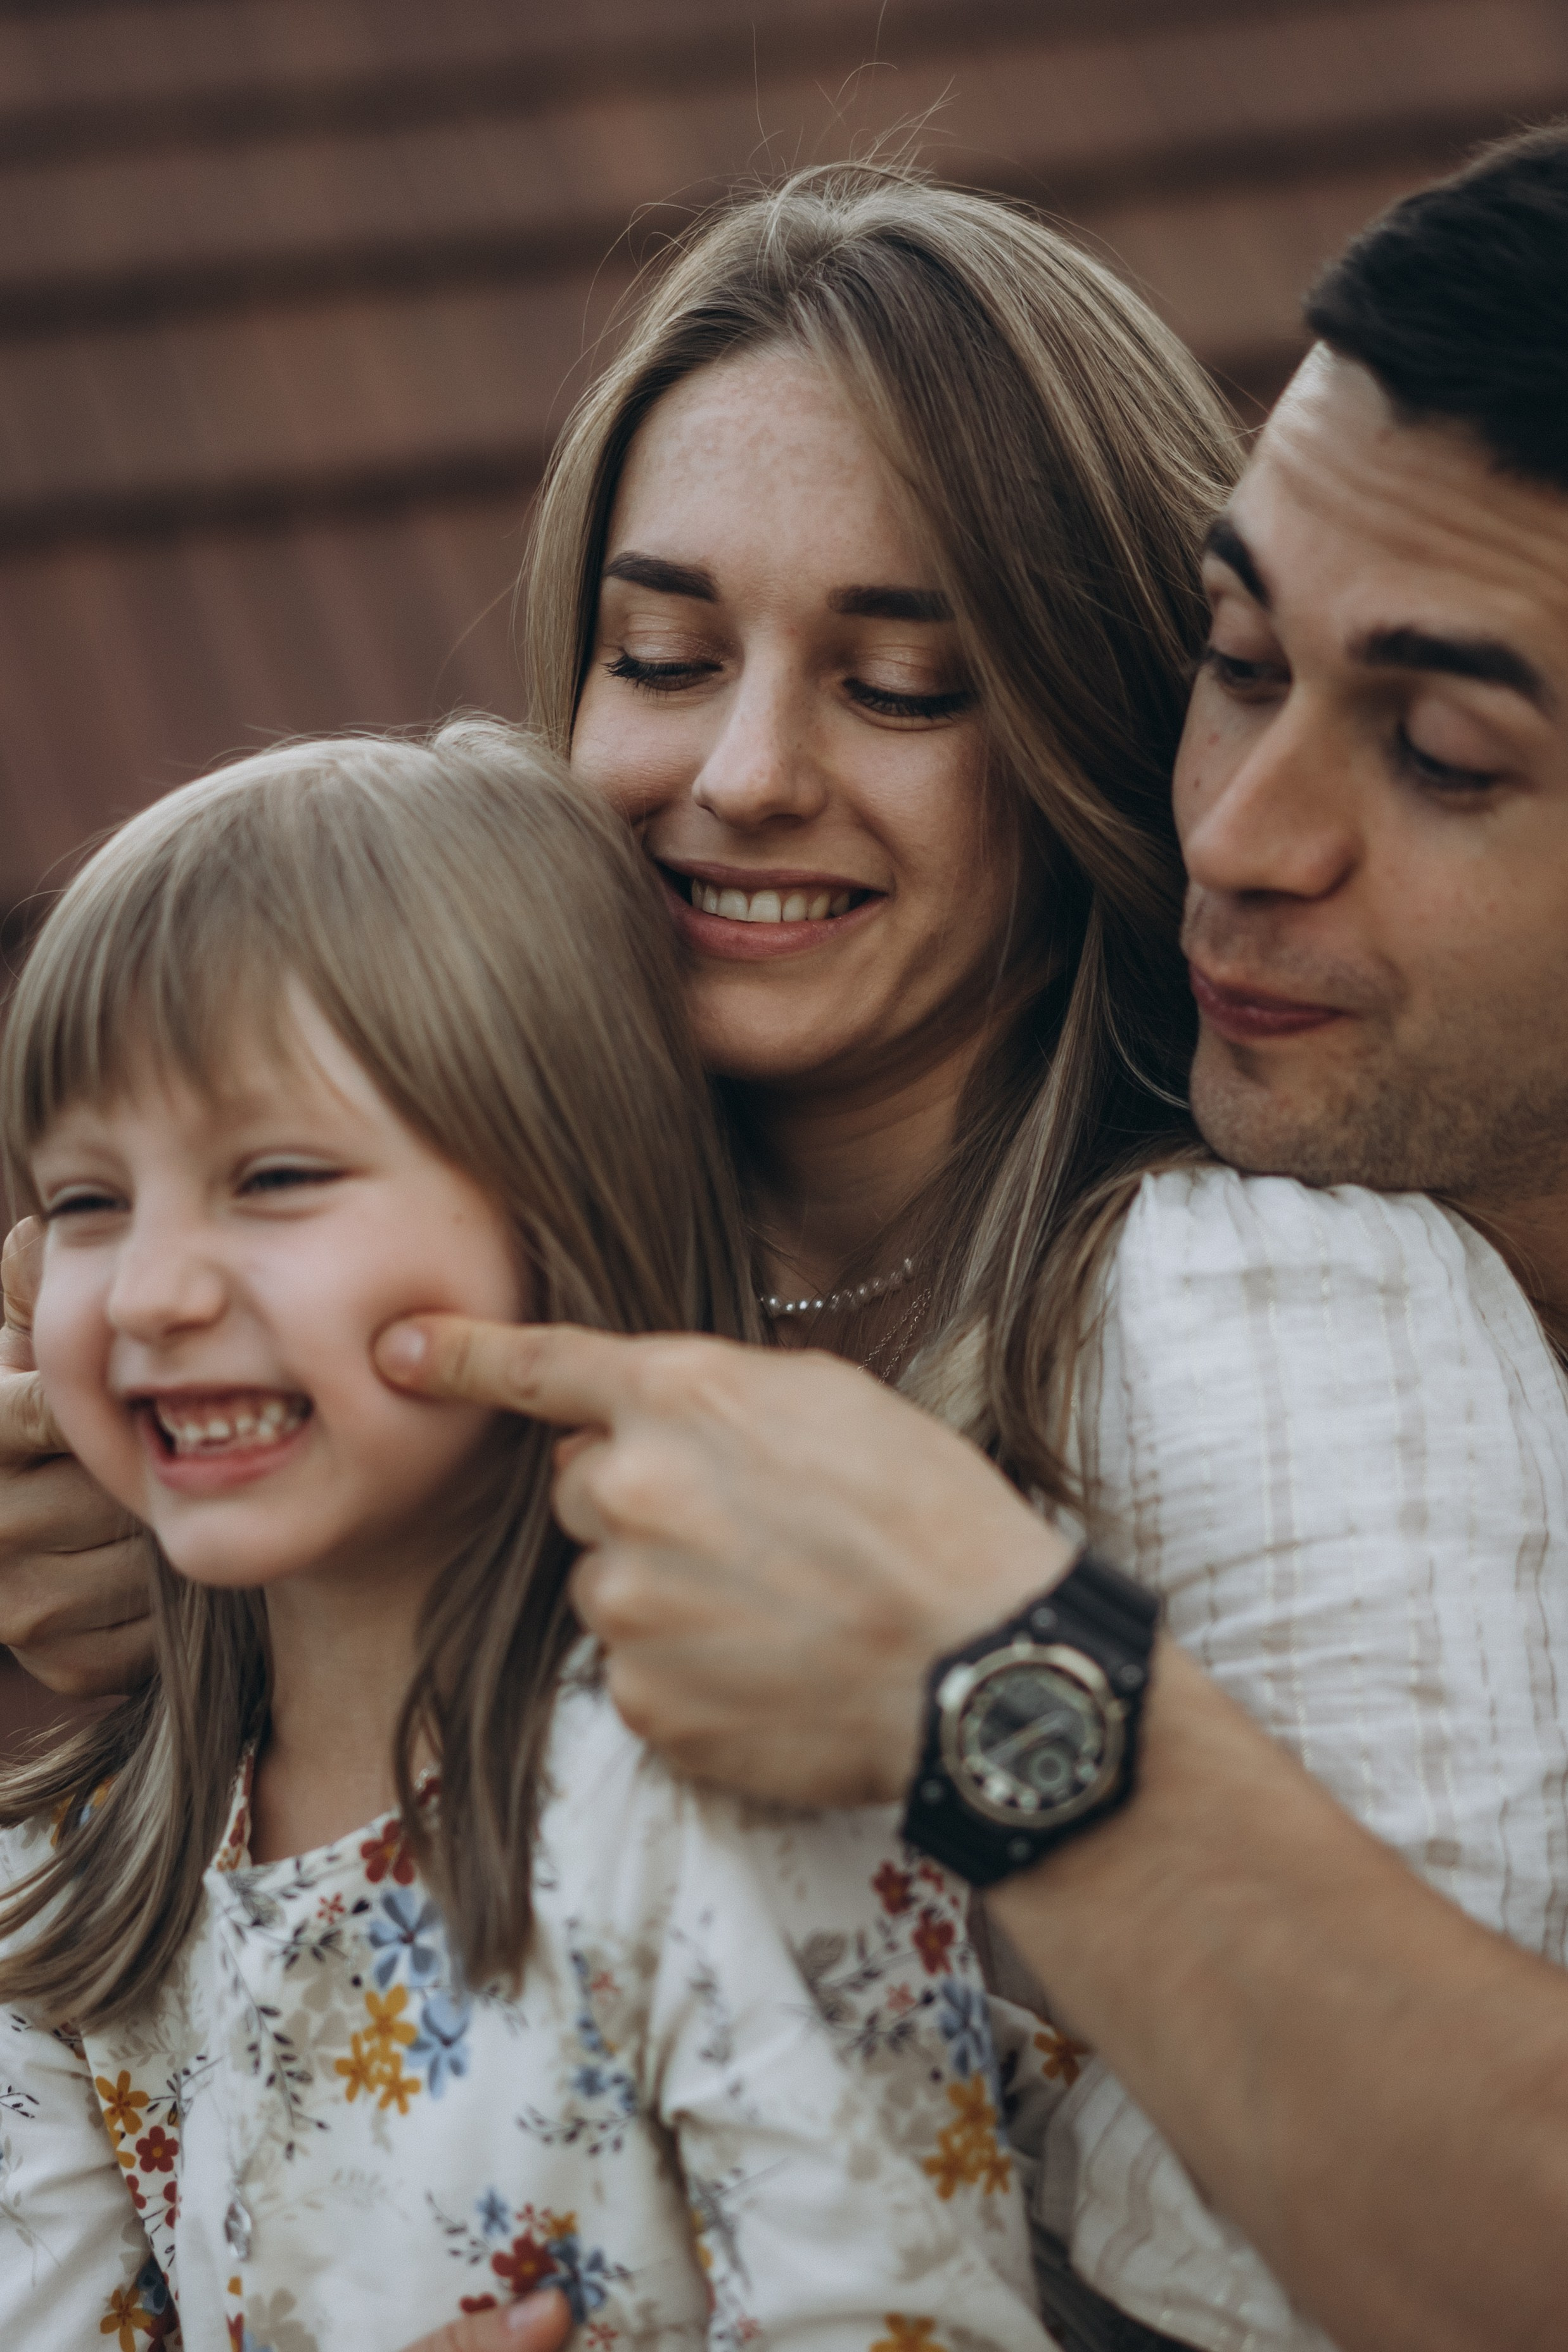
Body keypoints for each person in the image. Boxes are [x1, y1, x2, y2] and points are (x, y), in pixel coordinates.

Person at [373, 127, 1568, 2352]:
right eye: (654, 648)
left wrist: (988, 1688)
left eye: (907, 684)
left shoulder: (1277, 1330)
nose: (1236, 821)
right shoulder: (457, 1288)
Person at [0, 723, 1056, 2351]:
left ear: (558, 1218)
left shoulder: (715, 1794)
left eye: (272, 1176)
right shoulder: (63, 1889)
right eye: (85, 1202)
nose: (148, 1290)